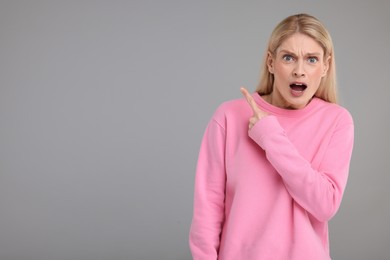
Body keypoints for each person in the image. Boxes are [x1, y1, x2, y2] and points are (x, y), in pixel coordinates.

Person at [189, 13, 354, 260]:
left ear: (325, 67)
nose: (299, 71)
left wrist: (271, 137)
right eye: (289, 58)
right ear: (271, 62)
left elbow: (325, 205)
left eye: (311, 59)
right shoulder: (229, 116)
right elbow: (208, 211)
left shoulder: (337, 120)